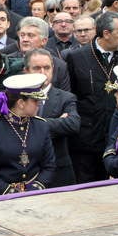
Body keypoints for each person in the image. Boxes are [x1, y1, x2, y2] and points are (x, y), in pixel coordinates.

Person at [64, 11, 118, 183]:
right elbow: (71, 95)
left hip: (116, 137)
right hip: (85, 140)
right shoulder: (76, 57)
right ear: (106, 33)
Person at [0, 73, 56, 195]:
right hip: (1, 197)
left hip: (35, 195)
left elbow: (49, 166)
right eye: (35, 100)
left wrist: (36, 187)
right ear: (21, 103)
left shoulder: (41, 126)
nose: (39, 104)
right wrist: (9, 191)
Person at [24, 48, 80, 187]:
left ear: (53, 69)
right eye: (37, 68)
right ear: (26, 70)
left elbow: (73, 124)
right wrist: (58, 122)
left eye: (47, 68)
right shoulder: (16, 97)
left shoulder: (65, 97)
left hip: (58, 172)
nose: (43, 73)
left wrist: (32, 123)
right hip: (24, 170)